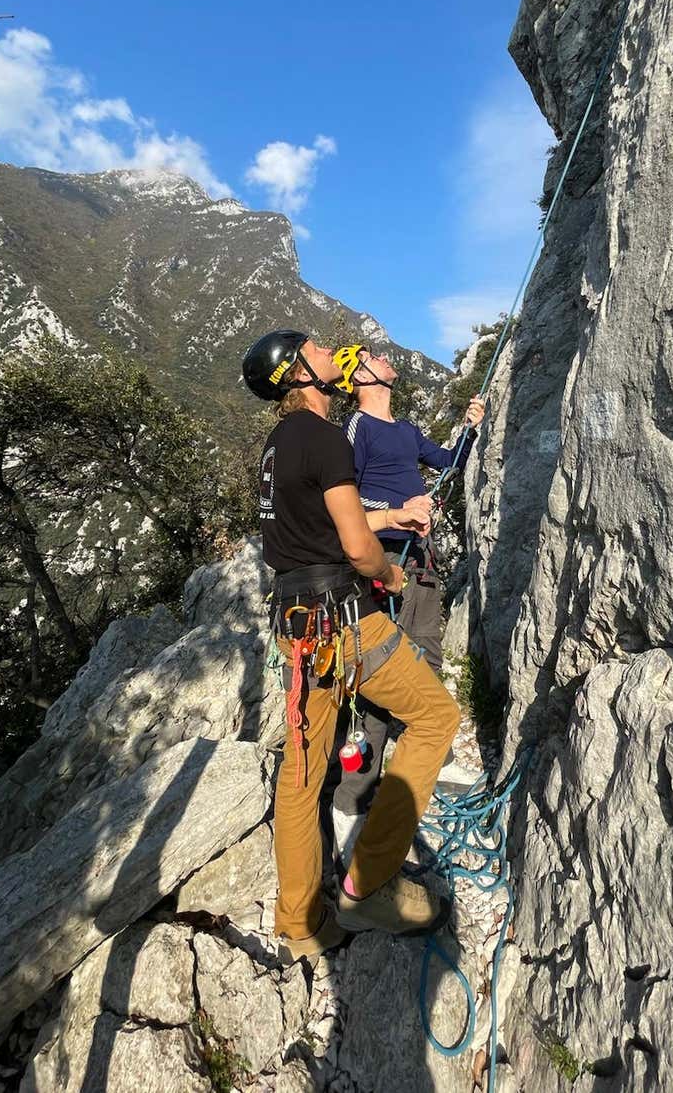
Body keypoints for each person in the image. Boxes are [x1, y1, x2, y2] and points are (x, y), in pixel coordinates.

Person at [242, 328, 461, 964]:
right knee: (436, 717)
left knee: (302, 774)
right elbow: (356, 546)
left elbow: (322, 521)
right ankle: (367, 885)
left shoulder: (279, 446)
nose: (326, 352)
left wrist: (390, 517)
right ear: (298, 374)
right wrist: (388, 574)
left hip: (297, 626)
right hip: (346, 620)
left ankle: (300, 921)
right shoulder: (324, 436)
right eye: (314, 349)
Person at [326, 343, 485, 859]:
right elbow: (345, 499)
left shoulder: (406, 429)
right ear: (360, 378)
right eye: (371, 356)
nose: (383, 356)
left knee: (427, 650)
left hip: (417, 557)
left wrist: (469, 430)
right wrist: (400, 509)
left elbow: (448, 461)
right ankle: (353, 798)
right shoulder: (357, 429)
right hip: (383, 558)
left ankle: (431, 756)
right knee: (380, 671)